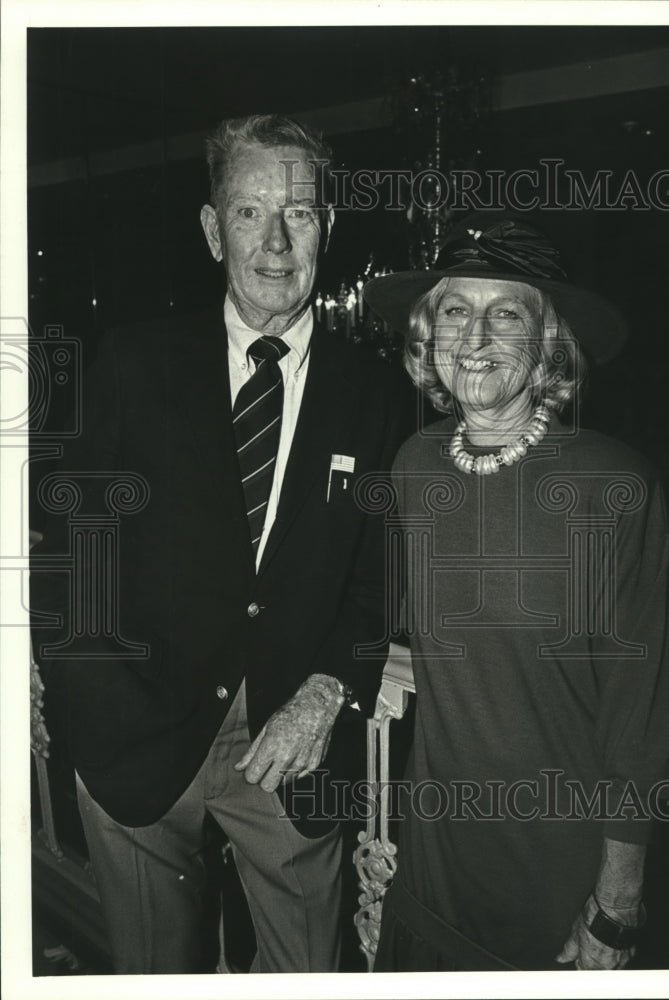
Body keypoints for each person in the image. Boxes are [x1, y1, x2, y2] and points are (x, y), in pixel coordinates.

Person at [30, 113, 412, 974]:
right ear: (213, 231)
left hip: (291, 746)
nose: (276, 241)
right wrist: (95, 710)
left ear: (328, 228)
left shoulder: (376, 395)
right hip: (138, 740)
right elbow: (73, 548)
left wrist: (329, 687)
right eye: (249, 213)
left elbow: (379, 568)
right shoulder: (132, 363)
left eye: (301, 214)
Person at [363, 213, 669, 971]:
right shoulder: (412, 465)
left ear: (546, 343)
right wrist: (377, 830)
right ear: (427, 335)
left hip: (555, 865)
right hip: (433, 853)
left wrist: (618, 902)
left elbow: (642, 716)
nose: (474, 337)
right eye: (454, 309)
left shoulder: (613, 484)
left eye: (505, 313)